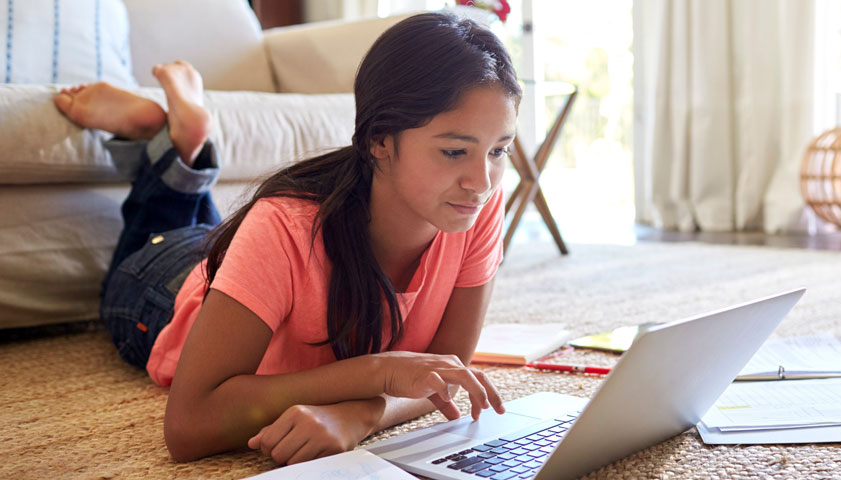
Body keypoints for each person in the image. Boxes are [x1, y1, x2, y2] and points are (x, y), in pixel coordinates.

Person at [53, 12, 519, 464]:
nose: (481, 180)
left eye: (499, 149)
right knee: (159, 236)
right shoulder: (284, 224)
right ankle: (168, 140)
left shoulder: (475, 204)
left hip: (240, 256)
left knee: (209, 228)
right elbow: (189, 425)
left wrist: (361, 414)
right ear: (380, 140)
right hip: (162, 288)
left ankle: (177, 141)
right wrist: (378, 372)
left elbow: (447, 374)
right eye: (454, 150)